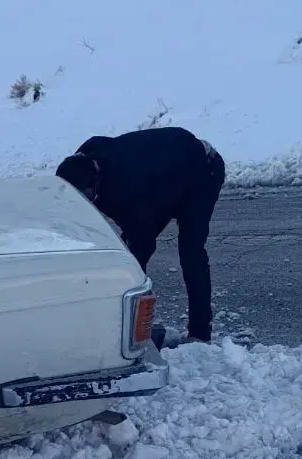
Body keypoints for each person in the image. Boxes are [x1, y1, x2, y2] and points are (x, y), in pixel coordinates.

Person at [55, 127, 225, 344]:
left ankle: (199, 335)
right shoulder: (80, 165)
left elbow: (142, 240)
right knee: (130, 256)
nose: (86, 204)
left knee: (190, 254)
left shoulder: (126, 188)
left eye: (88, 198)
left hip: (202, 172)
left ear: (96, 184)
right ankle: (124, 325)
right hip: (161, 179)